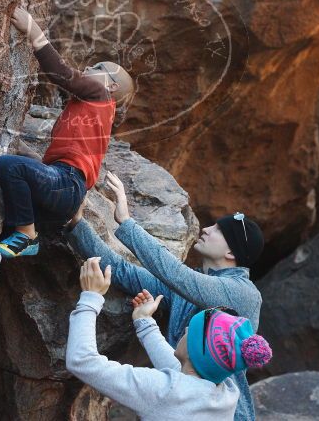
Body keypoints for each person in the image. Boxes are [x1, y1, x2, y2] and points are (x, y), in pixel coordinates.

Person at [66, 171, 265, 420]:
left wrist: (126, 221)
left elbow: (179, 276)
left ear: (232, 252)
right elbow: (126, 273)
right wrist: (75, 225)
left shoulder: (244, 294)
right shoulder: (189, 290)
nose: (206, 229)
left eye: (219, 229)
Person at [0, 6, 135, 258]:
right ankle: (21, 232)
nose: (90, 66)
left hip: (66, 186)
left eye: (99, 67)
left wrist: (33, 31)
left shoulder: (100, 95)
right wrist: (25, 151)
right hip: (61, 197)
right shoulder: (91, 113)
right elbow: (65, 161)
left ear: (110, 86)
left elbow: (61, 74)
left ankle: (26, 236)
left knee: (9, 167)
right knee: (11, 184)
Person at [66, 257, 272, 420]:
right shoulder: (226, 393)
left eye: (190, 330)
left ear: (194, 351)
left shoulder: (164, 390)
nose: (185, 329)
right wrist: (144, 322)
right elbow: (180, 373)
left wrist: (91, 297)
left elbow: (82, 361)